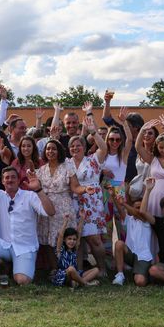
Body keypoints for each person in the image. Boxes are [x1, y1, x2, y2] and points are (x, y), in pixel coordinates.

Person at [0, 138, 55, 286]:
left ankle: (17, 266)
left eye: (13, 177)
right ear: (2, 181)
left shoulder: (30, 196)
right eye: (6, 178)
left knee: (22, 281)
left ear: (19, 180)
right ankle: (4, 266)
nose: (10, 180)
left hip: (25, 246)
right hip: (4, 244)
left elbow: (50, 212)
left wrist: (38, 190)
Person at [36, 139, 90, 271]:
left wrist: (85, 189)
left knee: (68, 239)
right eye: (48, 149)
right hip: (46, 207)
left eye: (53, 148)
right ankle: (55, 270)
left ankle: (73, 270)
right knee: (49, 240)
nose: (50, 151)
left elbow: (75, 187)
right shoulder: (41, 170)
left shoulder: (67, 166)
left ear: (59, 151)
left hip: (63, 208)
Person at [68, 116, 108, 276]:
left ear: (84, 147)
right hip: (73, 204)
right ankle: (78, 270)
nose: (75, 148)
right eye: (72, 146)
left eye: (78, 145)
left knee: (94, 239)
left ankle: (102, 269)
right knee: (76, 240)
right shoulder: (66, 163)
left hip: (91, 204)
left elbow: (104, 148)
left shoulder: (93, 160)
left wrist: (93, 131)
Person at [101, 107, 133, 248]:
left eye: (118, 139)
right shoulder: (102, 153)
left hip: (119, 188)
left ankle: (125, 255)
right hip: (105, 189)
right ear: (107, 140)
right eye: (112, 139)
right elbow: (94, 166)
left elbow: (130, 139)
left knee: (122, 224)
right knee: (106, 226)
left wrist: (124, 122)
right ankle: (108, 260)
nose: (115, 142)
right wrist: (103, 171)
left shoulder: (123, 155)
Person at [111, 191, 153, 287]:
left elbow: (138, 213)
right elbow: (120, 210)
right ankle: (120, 275)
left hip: (143, 257)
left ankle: (148, 274)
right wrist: (113, 196)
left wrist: (124, 203)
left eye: (140, 207)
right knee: (119, 244)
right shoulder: (129, 219)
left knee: (140, 282)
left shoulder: (147, 220)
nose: (138, 210)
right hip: (130, 254)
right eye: (136, 207)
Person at [52, 223, 100, 288]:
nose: (72, 241)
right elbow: (60, 235)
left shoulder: (74, 249)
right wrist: (65, 222)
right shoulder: (60, 250)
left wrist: (82, 218)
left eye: (74, 239)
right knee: (71, 269)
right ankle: (86, 283)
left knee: (96, 270)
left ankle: (78, 282)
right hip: (65, 275)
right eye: (69, 239)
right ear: (64, 239)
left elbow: (79, 233)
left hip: (76, 274)